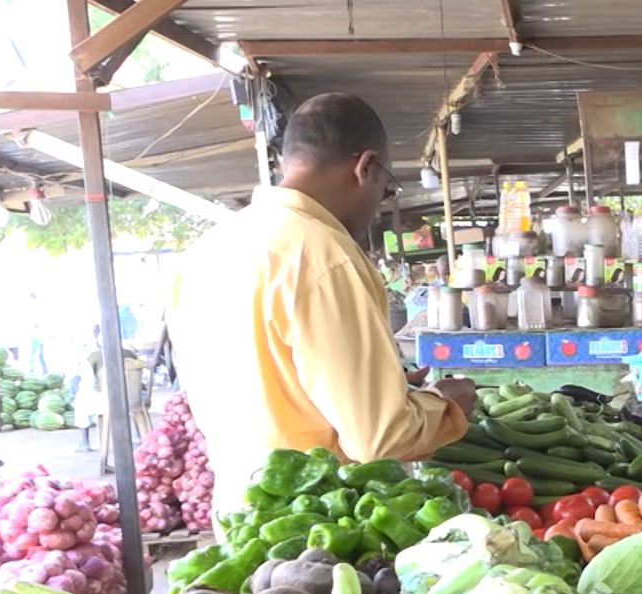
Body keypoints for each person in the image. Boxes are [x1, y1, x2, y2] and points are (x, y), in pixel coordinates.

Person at [169, 93, 475, 513]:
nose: (378, 208)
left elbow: (273, 380)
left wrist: (388, 388)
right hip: (318, 519)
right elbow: (379, 439)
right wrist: (445, 406)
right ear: (365, 168)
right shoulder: (326, 256)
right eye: (386, 191)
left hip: (242, 510)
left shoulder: (208, 250)